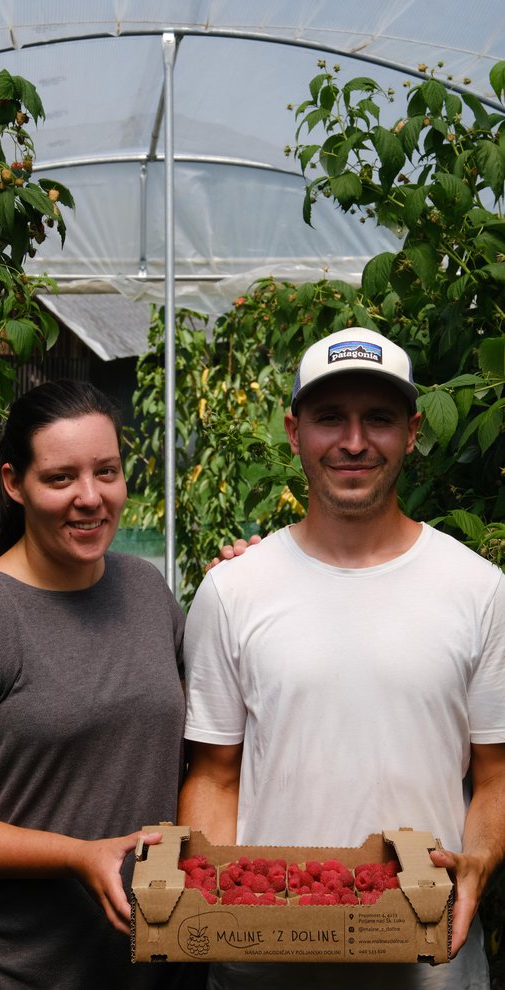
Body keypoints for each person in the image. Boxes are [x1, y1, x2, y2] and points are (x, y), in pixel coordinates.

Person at [178, 327, 505, 990]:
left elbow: (496, 777)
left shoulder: (478, 590)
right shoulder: (234, 591)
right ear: (294, 431)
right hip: (262, 968)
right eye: (330, 418)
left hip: (428, 966)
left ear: (413, 432)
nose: (354, 442)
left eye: (378, 419)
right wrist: (210, 894)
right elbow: (214, 776)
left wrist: (476, 860)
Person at [0, 380, 205, 989]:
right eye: (60, 478)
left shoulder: (146, 591)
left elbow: (210, 734)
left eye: (106, 471)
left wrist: (243, 587)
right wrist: (78, 855)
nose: (90, 497)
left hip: (131, 971)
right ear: (13, 483)